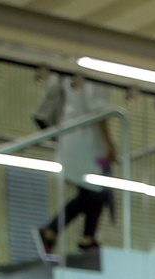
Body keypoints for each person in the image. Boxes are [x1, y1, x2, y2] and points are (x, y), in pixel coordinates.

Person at [32, 76, 117, 257]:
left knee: (91, 191)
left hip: (71, 134)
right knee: (97, 191)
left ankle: (86, 237)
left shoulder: (69, 67)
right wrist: (109, 143)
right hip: (85, 139)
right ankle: (52, 230)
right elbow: (97, 109)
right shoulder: (93, 72)